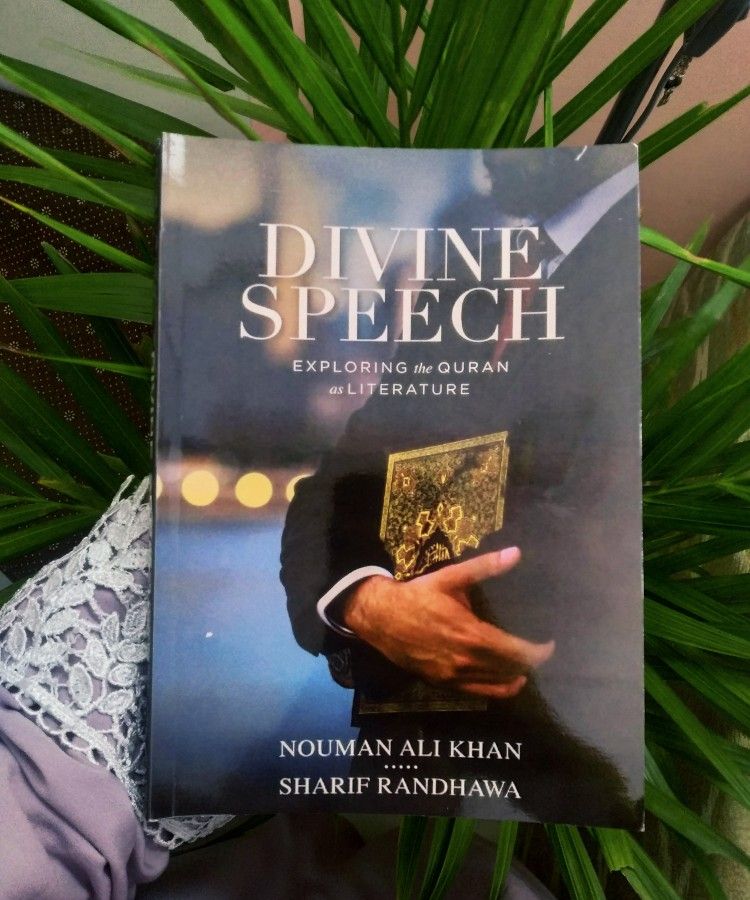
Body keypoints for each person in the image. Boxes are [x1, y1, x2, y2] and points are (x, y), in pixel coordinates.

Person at [280, 147, 643, 826]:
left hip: (568, 775)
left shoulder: (660, 266)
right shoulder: (473, 278)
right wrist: (367, 603)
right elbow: (328, 492)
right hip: (400, 769)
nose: (487, 154)